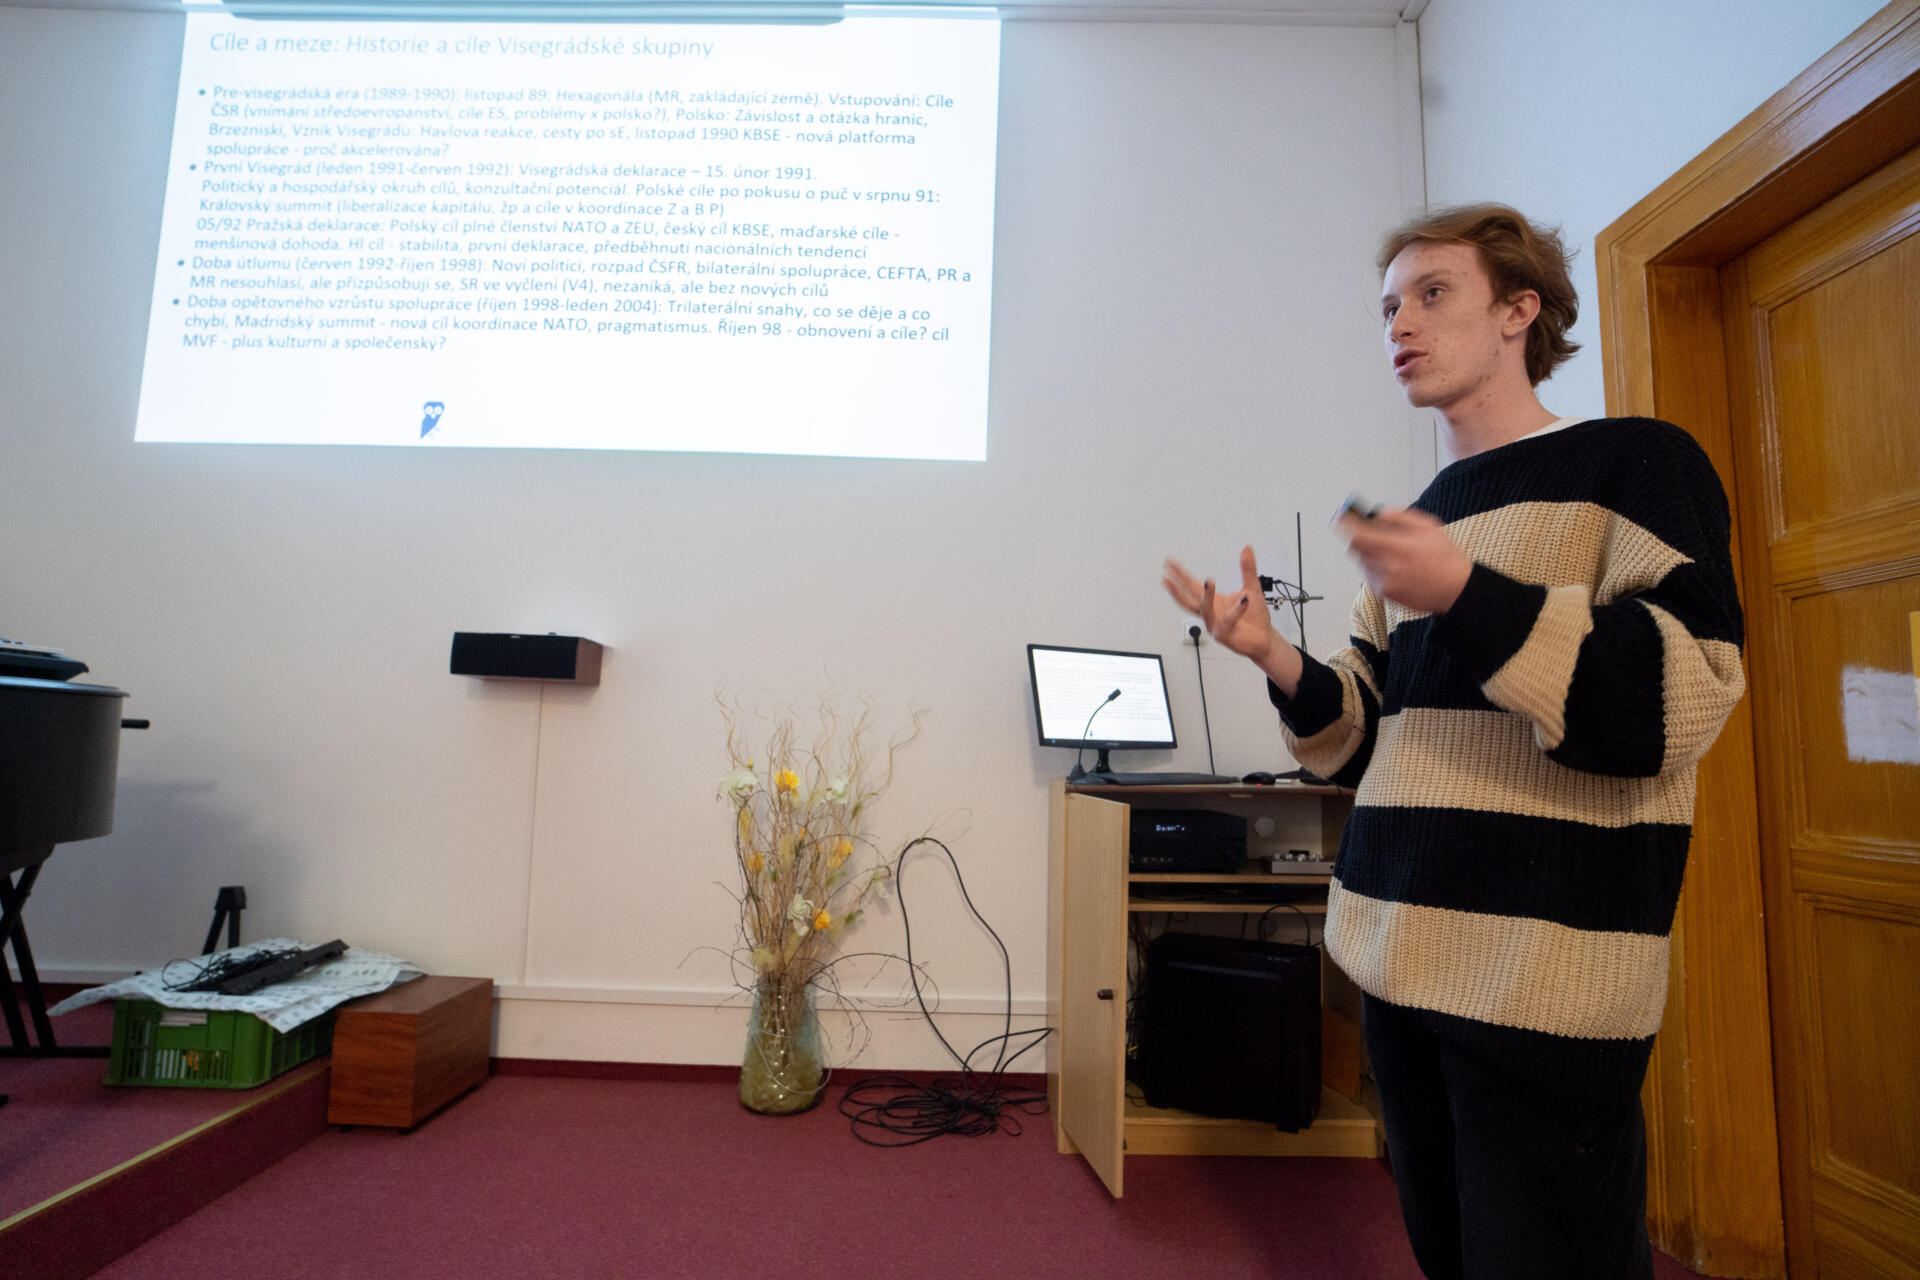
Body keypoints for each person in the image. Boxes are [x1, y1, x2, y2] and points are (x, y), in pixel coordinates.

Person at [1162, 203, 1745, 1280]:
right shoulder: (1423, 522)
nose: (1401, 325)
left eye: (1433, 295)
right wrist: (1276, 658)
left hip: (1544, 982)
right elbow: (1360, 740)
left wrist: (1468, 594)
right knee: (1448, 1253)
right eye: (1390, 306)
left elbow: (1678, 699)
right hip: (1396, 961)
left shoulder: (1637, 464)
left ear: (1520, 310)